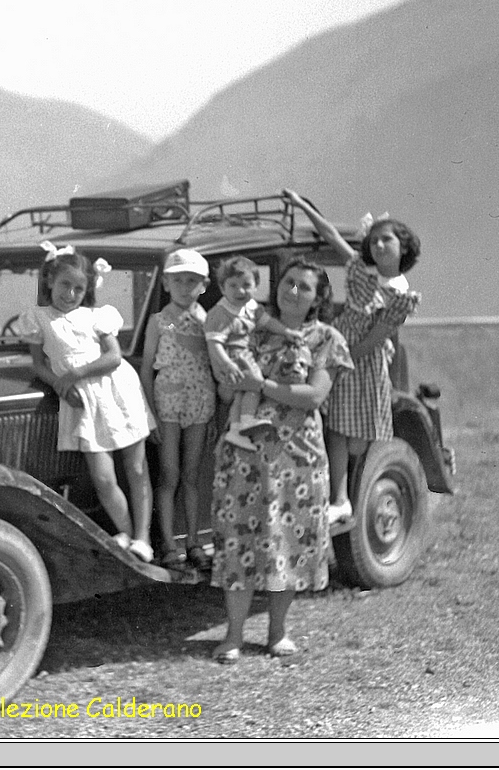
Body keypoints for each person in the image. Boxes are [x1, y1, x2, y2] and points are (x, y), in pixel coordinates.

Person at [209, 255, 353, 664]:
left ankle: (277, 632)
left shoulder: (327, 338)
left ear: (318, 297)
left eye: (303, 287)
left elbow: (314, 395)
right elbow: (228, 385)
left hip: (298, 455)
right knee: (240, 540)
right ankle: (234, 635)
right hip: (246, 448)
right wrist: (235, 380)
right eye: (288, 282)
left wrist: (262, 384)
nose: (292, 291)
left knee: (286, 542)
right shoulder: (251, 327)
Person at [284, 189, 421, 528]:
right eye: (374, 241)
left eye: (386, 240)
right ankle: (340, 499)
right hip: (340, 342)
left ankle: (350, 498)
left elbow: (377, 338)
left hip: (361, 358)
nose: (378, 246)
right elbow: (330, 235)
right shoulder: (363, 269)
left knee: (355, 438)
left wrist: (338, 363)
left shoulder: (401, 293)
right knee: (337, 431)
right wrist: (302, 205)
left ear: (403, 246)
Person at [23, 241, 156, 563]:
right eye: (65, 285)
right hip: (80, 400)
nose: (70, 294)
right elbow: (39, 364)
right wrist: (60, 384)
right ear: (50, 281)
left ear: (87, 290)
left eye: (79, 288)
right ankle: (125, 534)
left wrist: (75, 373)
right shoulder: (39, 318)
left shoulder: (98, 316)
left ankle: (143, 540)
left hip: (117, 390)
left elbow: (113, 357)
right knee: (102, 476)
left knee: (136, 467)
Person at [139, 248, 216, 571]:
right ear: (167, 284)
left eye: (192, 281)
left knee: (192, 473)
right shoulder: (160, 322)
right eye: (179, 280)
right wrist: (150, 413)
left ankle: (194, 541)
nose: (185, 287)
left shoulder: (208, 320)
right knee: (169, 472)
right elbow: (146, 369)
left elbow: (214, 363)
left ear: (204, 285)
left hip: (199, 400)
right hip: (168, 402)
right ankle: (169, 543)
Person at [203, 256, 304, 452]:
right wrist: (227, 364)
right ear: (223, 289)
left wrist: (287, 332)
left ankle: (235, 428)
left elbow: (267, 322)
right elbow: (214, 342)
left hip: (245, 355)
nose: (240, 291)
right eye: (233, 286)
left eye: (246, 285)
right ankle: (247, 420)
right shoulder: (221, 313)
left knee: (243, 391)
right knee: (255, 384)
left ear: (256, 285)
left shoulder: (252, 307)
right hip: (233, 358)